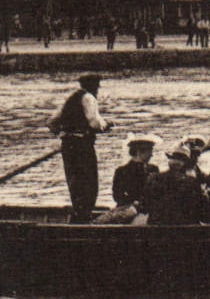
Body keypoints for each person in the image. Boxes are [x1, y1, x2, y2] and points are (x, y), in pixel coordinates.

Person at [47, 74, 112, 222]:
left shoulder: (71, 98)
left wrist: (65, 132)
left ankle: (79, 213)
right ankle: (84, 217)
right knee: (89, 181)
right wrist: (106, 125)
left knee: (75, 181)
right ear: (93, 86)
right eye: (97, 86)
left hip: (68, 146)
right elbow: (94, 122)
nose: (98, 90)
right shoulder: (89, 98)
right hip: (82, 145)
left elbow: (52, 122)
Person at [146, 146, 210, 224]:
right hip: (184, 226)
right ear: (185, 164)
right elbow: (201, 210)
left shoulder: (153, 178)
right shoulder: (192, 182)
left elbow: (147, 203)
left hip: (157, 225)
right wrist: (204, 195)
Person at [108, 134, 161, 219]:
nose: (152, 155)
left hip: (149, 210)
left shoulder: (153, 169)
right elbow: (117, 196)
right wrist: (133, 203)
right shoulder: (122, 171)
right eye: (149, 151)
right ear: (139, 152)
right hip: (128, 210)